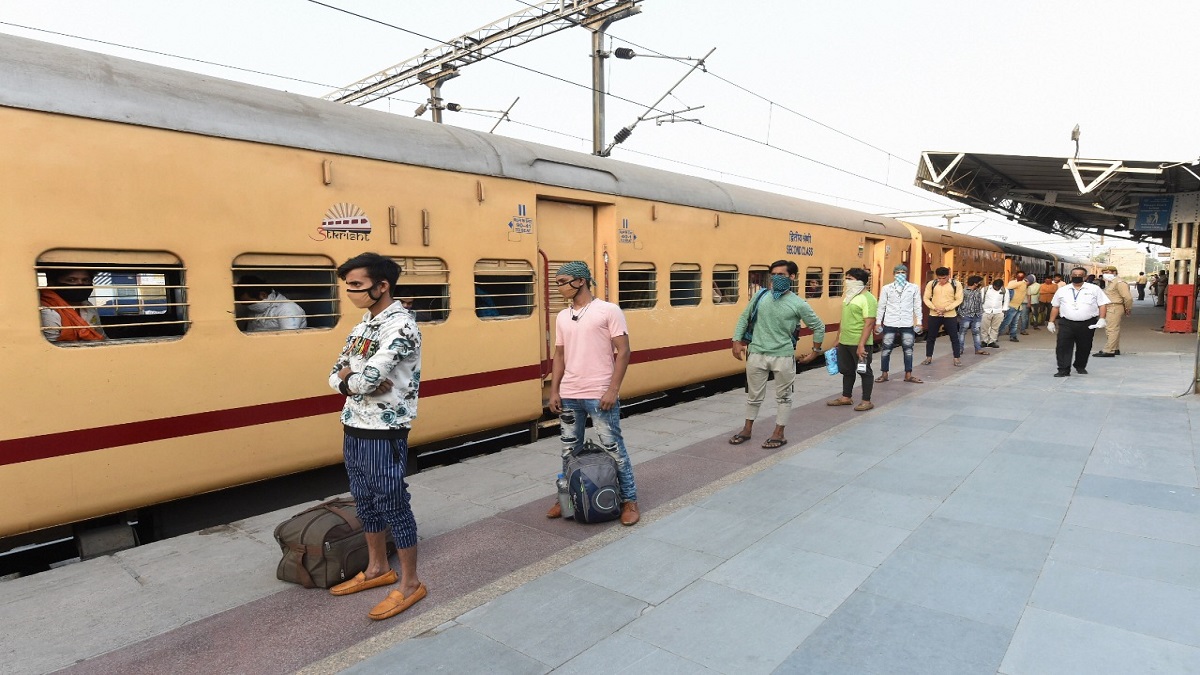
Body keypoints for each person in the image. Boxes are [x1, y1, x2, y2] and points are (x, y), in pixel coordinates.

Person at [326, 253, 425, 620]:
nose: (350, 292)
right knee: (364, 499)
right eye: (347, 286)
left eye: (357, 286)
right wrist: (353, 378)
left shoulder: (400, 327)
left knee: (392, 502)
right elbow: (334, 374)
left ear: (382, 286)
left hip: (384, 429)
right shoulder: (364, 326)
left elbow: (361, 379)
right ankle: (377, 568)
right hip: (354, 423)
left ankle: (411, 583)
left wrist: (354, 376)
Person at [546, 261, 640, 526]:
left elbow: (624, 351)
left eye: (563, 281)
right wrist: (555, 389)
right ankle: (565, 500)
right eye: (557, 283)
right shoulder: (563, 316)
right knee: (568, 451)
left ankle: (629, 501)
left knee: (614, 448)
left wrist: (613, 389)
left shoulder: (608, 310)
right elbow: (560, 354)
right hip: (570, 393)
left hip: (600, 394)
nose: (559, 288)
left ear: (581, 281)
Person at [729, 260, 826, 448]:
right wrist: (736, 341)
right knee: (753, 395)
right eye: (773, 274)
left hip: (783, 356)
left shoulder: (798, 304)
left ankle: (779, 433)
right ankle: (747, 429)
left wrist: (815, 351)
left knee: (784, 397)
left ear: (792, 277)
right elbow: (744, 317)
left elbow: (818, 327)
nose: (776, 278)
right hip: (756, 353)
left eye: (781, 275)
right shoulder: (760, 296)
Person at [827, 268, 876, 411]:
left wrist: (861, 345)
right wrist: (838, 338)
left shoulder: (868, 299)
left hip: (860, 344)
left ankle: (866, 401)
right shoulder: (848, 297)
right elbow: (843, 319)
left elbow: (869, 323)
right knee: (846, 370)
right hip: (845, 342)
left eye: (851, 279)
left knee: (864, 370)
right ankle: (846, 397)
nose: (847, 281)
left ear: (860, 282)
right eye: (846, 278)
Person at [1047, 266, 1110, 377]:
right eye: (1074, 275)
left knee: (1084, 346)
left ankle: (1080, 366)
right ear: (1070, 276)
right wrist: (1051, 322)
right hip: (1067, 323)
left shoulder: (1094, 289)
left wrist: (1102, 318)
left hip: (1087, 323)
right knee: (1063, 346)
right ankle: (1063, 369)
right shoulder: (1063, 290)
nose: (1077, 277)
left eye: (1080, 275)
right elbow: (1055, 307)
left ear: (1085, 277)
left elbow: (1102, 304)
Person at [873, 263, 924, 384]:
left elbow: (917, 305)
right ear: (893, 274)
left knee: (908, 350)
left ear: (906, 274)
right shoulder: (887, 288)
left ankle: (908, 374)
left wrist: (919, 322)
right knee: (886, 349)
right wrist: (878, 322)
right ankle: (884, 373)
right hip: (890, 322)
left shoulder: (913, 288)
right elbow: (881, 306)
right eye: (898, 273)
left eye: (903, 272)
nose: (900, 275)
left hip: (907, 323)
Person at [40, 268, 106, 342]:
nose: (80, 284)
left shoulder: (87, 306)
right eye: (71, 280)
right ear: (52, 283)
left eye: (85, 280)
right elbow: (51, 347)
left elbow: (101, 336)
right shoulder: (47, 311)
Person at [920, 266, 964, 366]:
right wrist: (934, 308)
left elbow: (959, 299)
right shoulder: (932, 284)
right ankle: (928, 357)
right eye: (939, 278)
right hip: (934, 314)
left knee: (954, 337)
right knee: (931, 337)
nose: (941, 280)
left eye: (944, 278)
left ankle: (956, 358)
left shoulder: (956, 284)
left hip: (950, 314)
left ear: (949, 276)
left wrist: (945, 309)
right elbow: (926, 298)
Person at [235, 275, 308, 331]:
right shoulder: (257, 309)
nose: (248, 306)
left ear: (263, 295)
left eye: (249, 303)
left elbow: (288, 340)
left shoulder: (287, 309)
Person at [1094, 265, 1133, 357]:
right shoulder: (1111, 282)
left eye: (1108, 273)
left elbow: (1128, 298)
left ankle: (1109, 350)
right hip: (1110, 307)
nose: (1105, 274)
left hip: (1114, 307)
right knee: (1112, 329)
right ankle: (1115, 348)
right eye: (1104, 273)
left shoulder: (1120, 283)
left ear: (1114, 272)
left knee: (1111, 329)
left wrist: (1128, 308)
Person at [957, 275, 990, 356]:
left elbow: (980, 302)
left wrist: (981, 312)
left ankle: (978, 349)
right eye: (979, 282)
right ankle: (959, 349)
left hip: (977, 315)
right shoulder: (963, 291)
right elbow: (958, 302)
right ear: (975, 283)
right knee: (962, 332)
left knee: (976, 332)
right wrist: (961, 314)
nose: (980, 284)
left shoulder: (978, 291)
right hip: (966, 315)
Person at [998, 271, 1027, 342]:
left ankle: (1013, 336)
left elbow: (1008, 286)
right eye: (1019, 276)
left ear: (1024, 277)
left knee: (1014, 323)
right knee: (1006, 322)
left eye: (1021, 276)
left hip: (1018, 306)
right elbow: (1008, 287)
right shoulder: (1021, 283)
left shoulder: (1023, 283)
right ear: (1016, 276)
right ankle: (995, 335)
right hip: (1012, 305)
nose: (1020, 277)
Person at [980, 278, 1007, 349]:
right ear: (993, 285)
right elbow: (980, 299)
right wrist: (981, 310)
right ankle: (984, 341)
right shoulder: (985, 289)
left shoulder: (1004, 291)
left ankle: (992, 341)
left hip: (998, 311)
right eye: (996, 287)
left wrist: (1003, 311)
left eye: (998, 287)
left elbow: (1006, 301)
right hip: (986, 311)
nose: (997, 288)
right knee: (984, 327)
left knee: (995, 328)